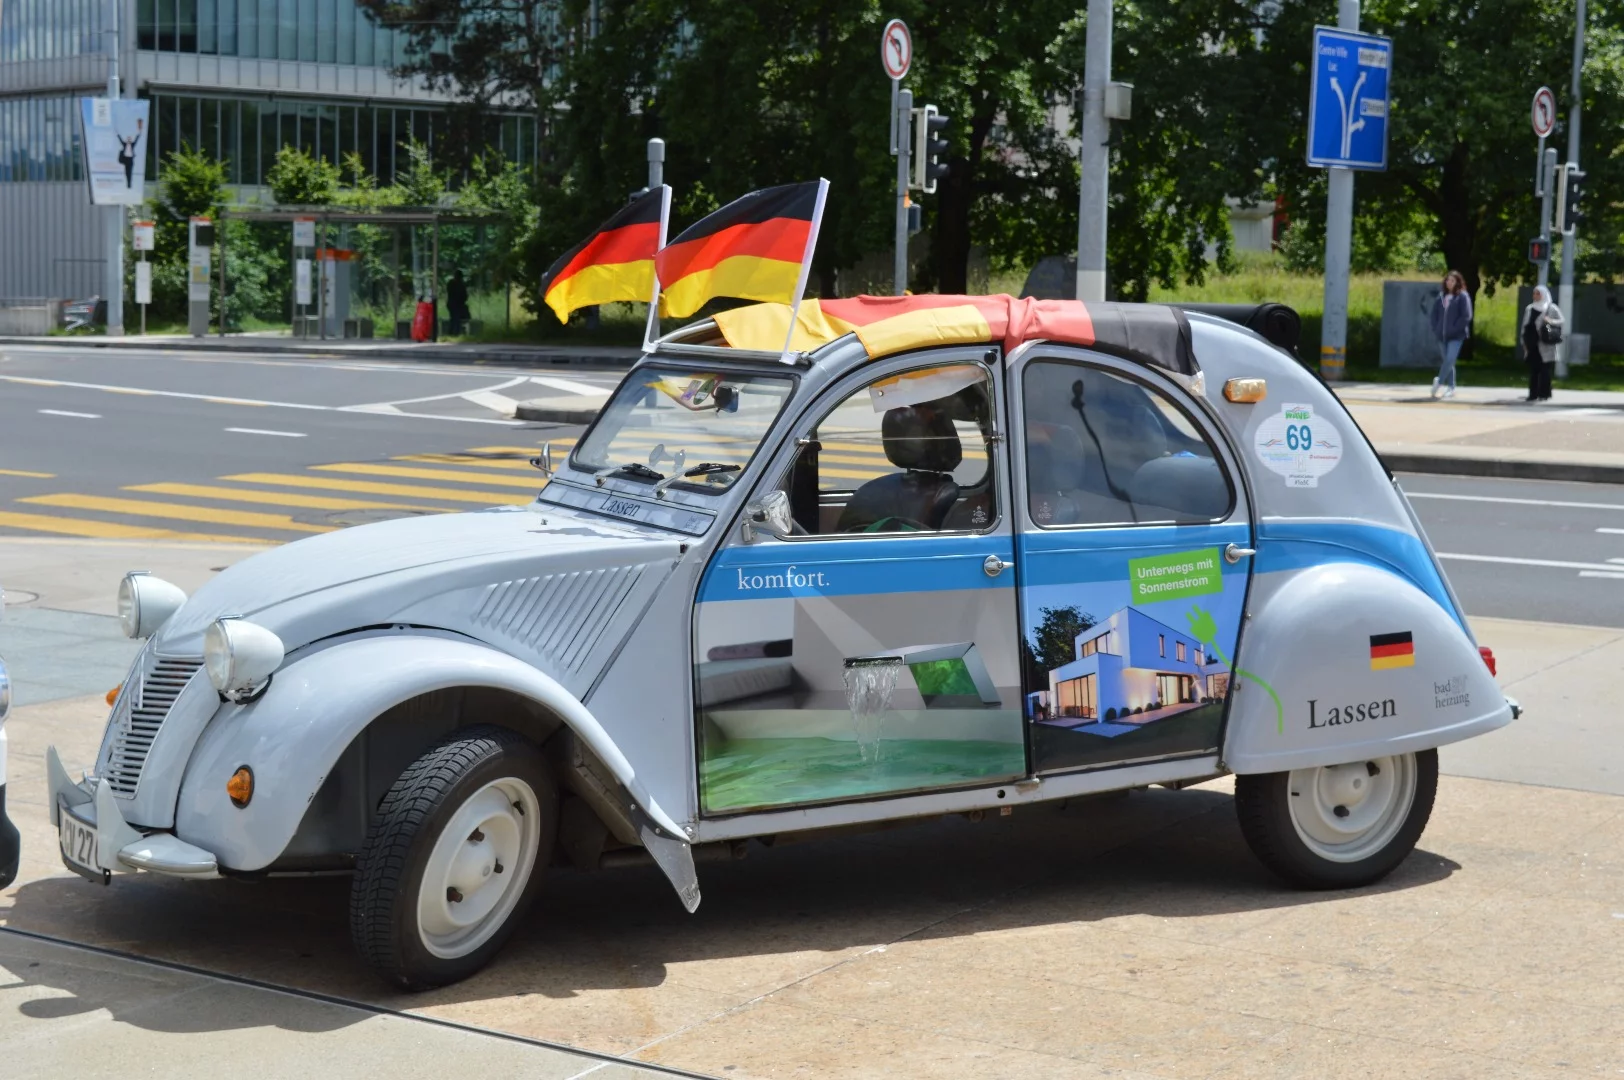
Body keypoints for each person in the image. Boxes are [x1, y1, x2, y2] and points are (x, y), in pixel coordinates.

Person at [1427, 270, 1472, 399]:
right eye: (1448, 280)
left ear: (1458, 282)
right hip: (1441, 335)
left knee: (1450, 359)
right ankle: (1451, 387)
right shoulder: (1441, 296)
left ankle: (1439, 382)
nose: (1449, 283)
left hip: (1456, 336)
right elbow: (1434, 315)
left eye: (1452, 281)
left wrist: (1454, 329)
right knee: (1448, 362)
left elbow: (1466, 316)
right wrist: (1436, 328)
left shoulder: (1463, 296)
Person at [1520, 284, 1564, 402]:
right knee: (1534, 369)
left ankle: (1544, 393)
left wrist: (1550, 321)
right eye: (1534, 293)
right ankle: (1532, 394)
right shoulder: (1529, 308)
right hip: (1532, 343)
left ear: (1544, 295)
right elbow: (1524, 326)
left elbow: (1561, 320)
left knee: (1545, 370)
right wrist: (1523, 341)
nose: (1535, 296)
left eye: (1538, 293)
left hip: (1546, 343)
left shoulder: (1551, 308)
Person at [446, 269, 471, 333]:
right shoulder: (460, 284)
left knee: (454, 318)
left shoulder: (451, 283)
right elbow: (464, 295)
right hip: (457, 304)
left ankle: (452, 331)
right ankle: (455, 332)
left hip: (452, 303)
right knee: (456, 318)